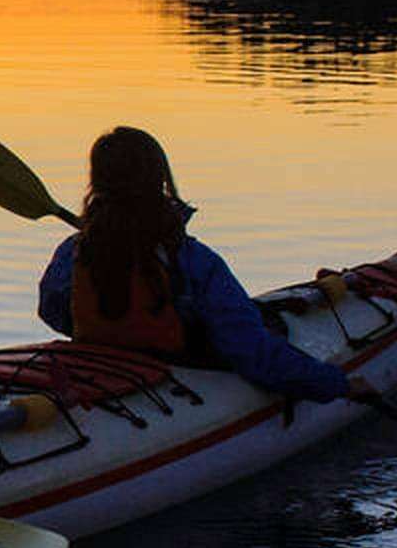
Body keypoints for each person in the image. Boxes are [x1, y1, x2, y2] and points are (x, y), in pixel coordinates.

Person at [36, 127, 371, 404]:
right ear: (159, 181)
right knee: (259, 329)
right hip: (177, 372)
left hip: (102, 367)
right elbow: (251, 352)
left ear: (97, 183)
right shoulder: (192, 260)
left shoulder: (74, 252)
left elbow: (52, 311)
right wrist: (339, 384)